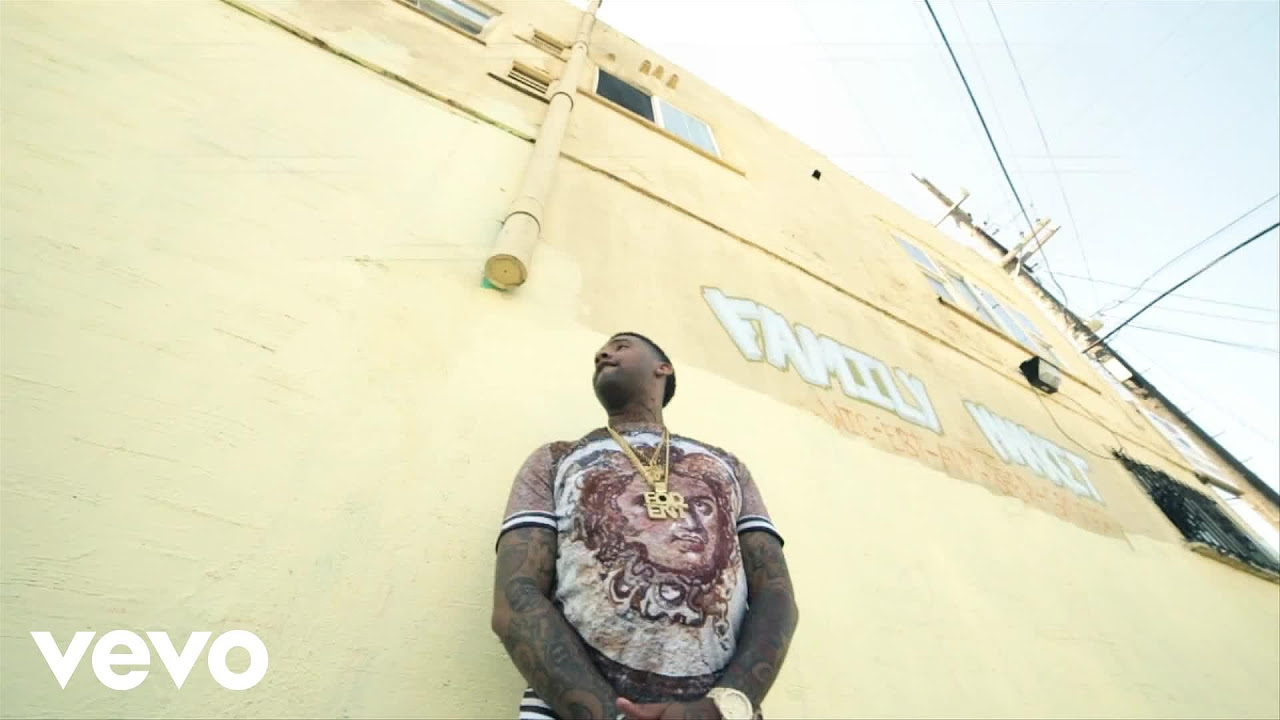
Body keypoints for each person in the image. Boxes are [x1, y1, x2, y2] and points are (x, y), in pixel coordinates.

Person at [491, 332, 800, 720]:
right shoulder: (554, 459)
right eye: (601, 352)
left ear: (663, 369)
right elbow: (515, 596)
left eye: (621, 346)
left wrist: (722, 707)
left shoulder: (728, 466)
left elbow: (776, 595)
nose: (603, 354)